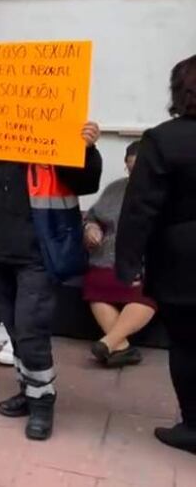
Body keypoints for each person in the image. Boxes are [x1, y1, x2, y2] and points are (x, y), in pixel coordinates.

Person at [0, 115, 102, 441]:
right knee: (13, 325)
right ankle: (29, 390)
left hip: (40, 250)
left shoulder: (55, 125)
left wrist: (87, 149)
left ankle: (42, 402)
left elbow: (86, 183)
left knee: (29, 328)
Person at [116, 54, 196, 454]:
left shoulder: (163, 140)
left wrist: (128, 263)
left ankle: (193, 426)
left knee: (185, 344)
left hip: (182, 264)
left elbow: (139, 209)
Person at [83, 141, 155, 368]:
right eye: (131, 169)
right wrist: (90, 229)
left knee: (149, 290)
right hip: (108, 256)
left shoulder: (166, 193)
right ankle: (121, 347)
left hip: (145, 260)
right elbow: (93, 217)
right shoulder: (115, 189)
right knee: (96, 286)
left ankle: (107, 342)